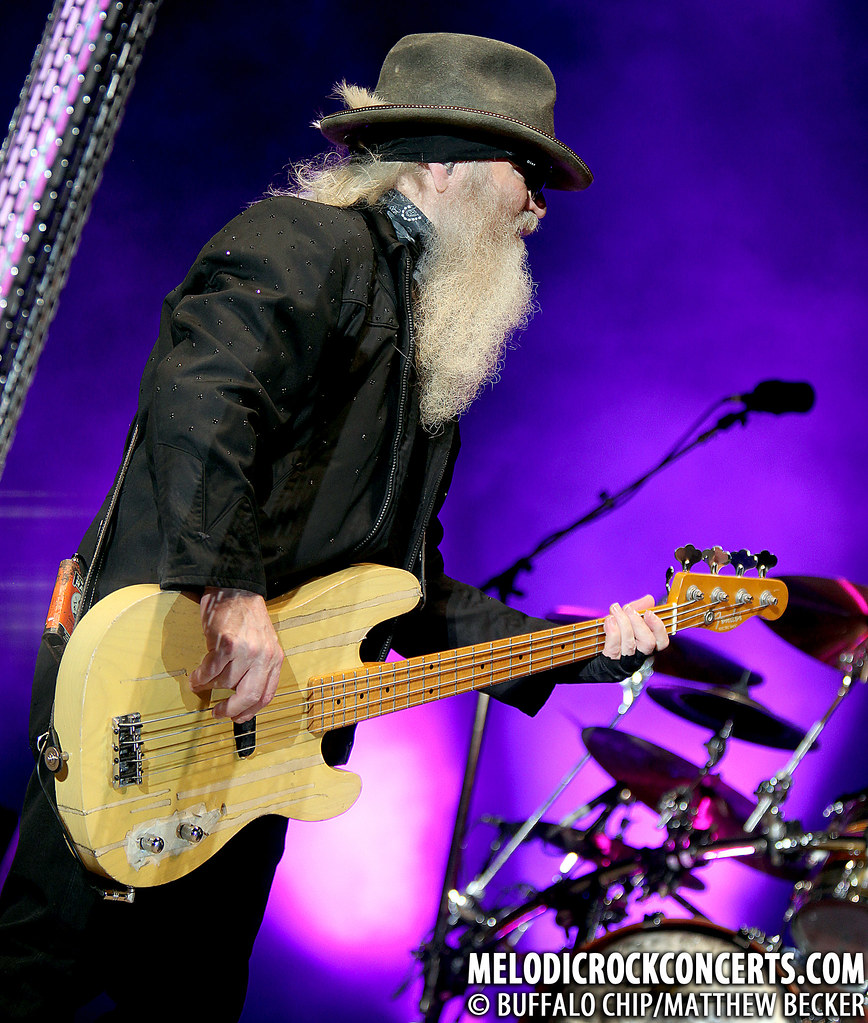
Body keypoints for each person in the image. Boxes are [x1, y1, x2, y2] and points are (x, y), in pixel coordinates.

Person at [0, 32, 669, 1021]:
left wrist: (582, 647)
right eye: (525, 173)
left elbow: (410, 593)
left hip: (263, 744)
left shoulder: (428, 361)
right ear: (437, 164)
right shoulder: (301, 244)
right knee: (40, 978)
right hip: (159, 674)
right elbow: (202, 405)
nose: (537, 206)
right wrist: (226, 593)